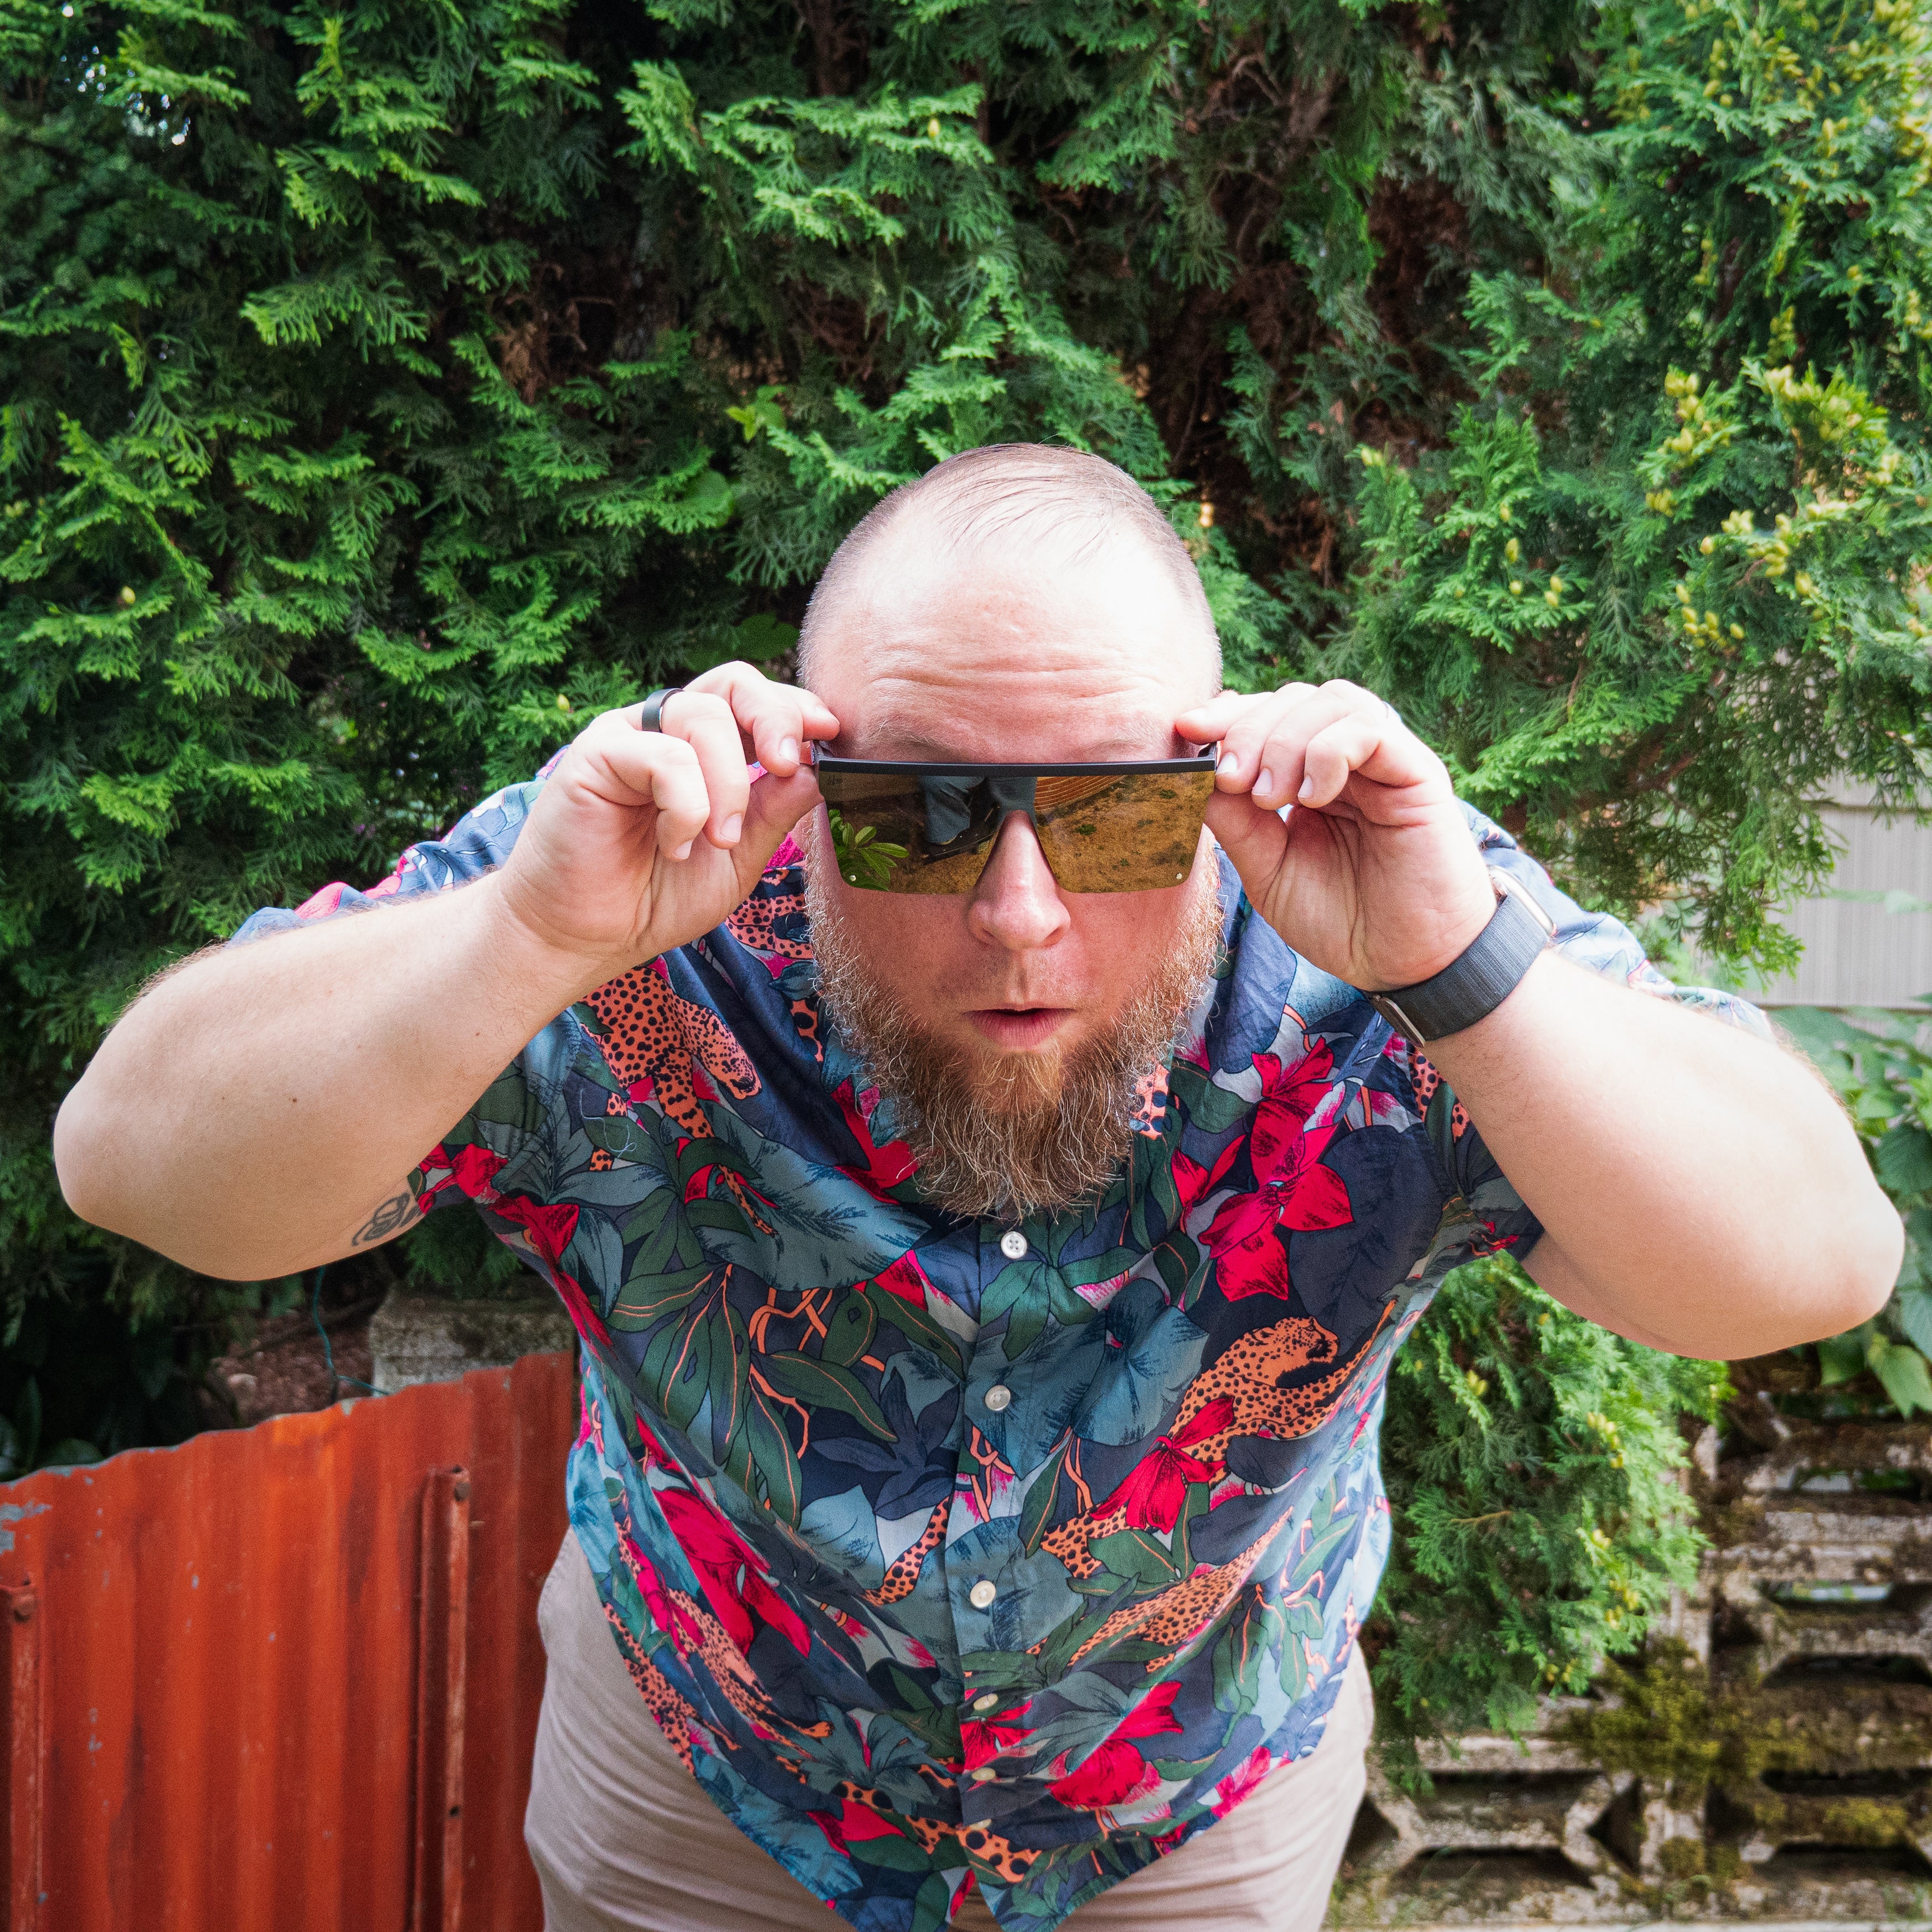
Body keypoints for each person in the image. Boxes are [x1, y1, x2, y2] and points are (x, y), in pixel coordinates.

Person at [54, 446, 1898, 1932]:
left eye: (1110, 814)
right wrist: (524, 935)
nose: (1020, 915)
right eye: (919, 813)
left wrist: (1459, 968)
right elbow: (139, 1167)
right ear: (805, 769)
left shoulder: (1381, 918)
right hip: (705, 1773)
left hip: (1185, 1816)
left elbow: (1810, 1263)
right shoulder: (635, 898)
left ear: (1213, 768)